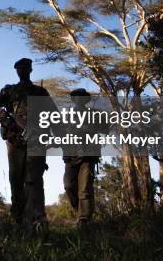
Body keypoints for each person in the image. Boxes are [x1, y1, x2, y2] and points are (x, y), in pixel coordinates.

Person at [0, 58, 50, 231]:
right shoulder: (9, 90)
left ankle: (36, 220)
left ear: (30, 69)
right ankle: (18, 220)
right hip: (15, 140)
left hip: (36, 140)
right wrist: (8, 120)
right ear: (16, 70)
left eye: (26, 67)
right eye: (19, 67)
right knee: (16, 180)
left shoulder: (40, 92)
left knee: (34, 180)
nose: (22, 70)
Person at [62, 88, 105, 228]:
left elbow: (105, 129)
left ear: (85, 100)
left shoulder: (94, 114)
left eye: (81, 97)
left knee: (85, 188)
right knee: (68, 186)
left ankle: (84, 219)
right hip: (70, 156)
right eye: (76, 97)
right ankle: (79, 211)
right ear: (73, 100)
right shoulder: (66, 116)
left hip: (88, 156)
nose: (78, 99)